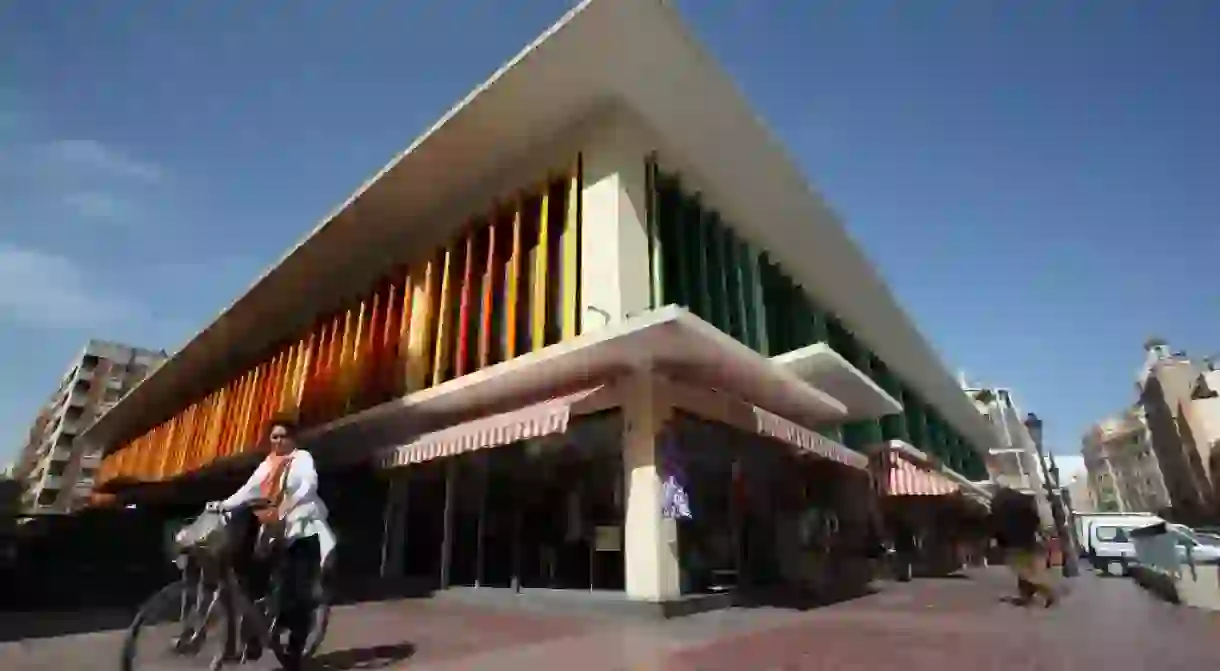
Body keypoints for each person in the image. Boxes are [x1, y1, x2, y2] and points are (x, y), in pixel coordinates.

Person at [215, 415, 336, 670]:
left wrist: (291, 502)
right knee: (253, 580)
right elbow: (248, 490)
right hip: (274, 529)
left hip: (303, 529)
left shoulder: (302, 458)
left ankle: (294, 651)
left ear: (293, 439)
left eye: (283, 436)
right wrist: (223, 505)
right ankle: (257, 632)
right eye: (274, 436)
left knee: (296, 594)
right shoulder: (267, 465)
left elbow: (309, 484)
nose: (279, 440)